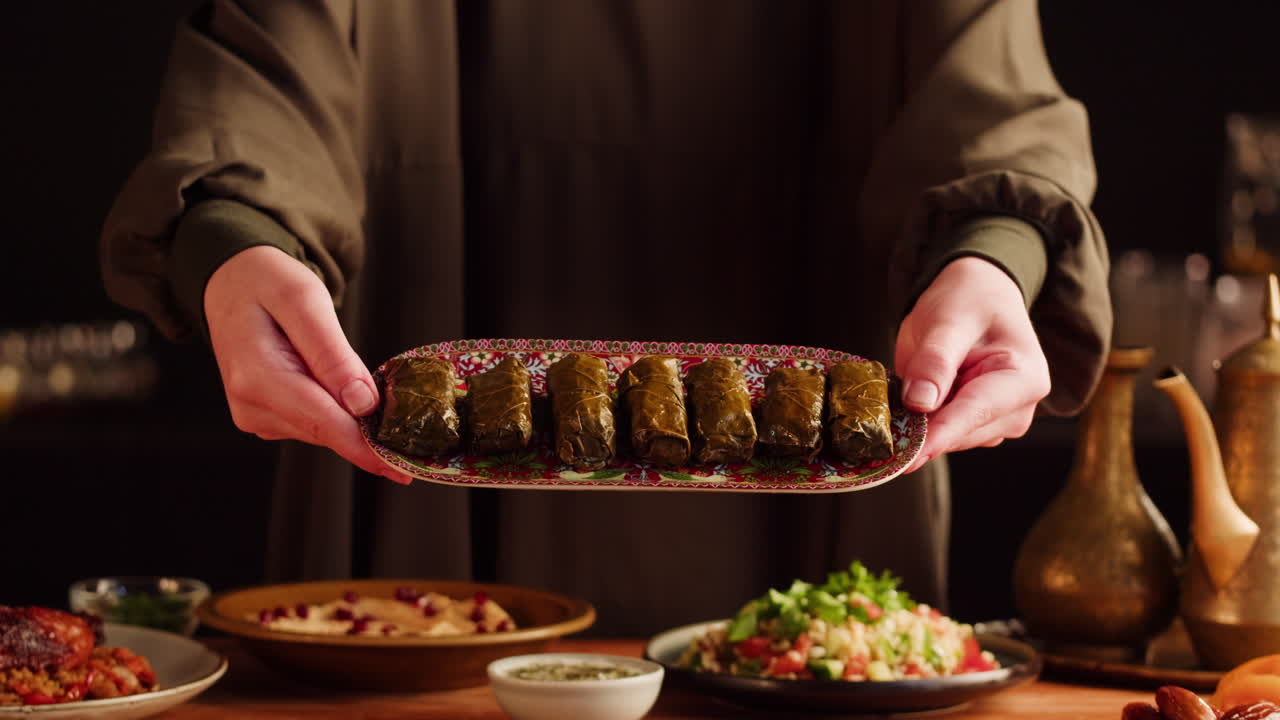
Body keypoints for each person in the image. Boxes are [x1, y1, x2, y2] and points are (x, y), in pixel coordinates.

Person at [100, 0, 1110, 635]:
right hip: (405, 407)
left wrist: (992, 253)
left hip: (830, 408)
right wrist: (235, 242)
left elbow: (985, 81)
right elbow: (266, 60)